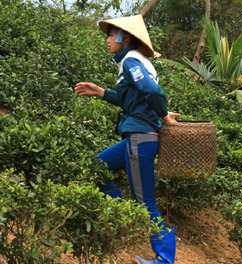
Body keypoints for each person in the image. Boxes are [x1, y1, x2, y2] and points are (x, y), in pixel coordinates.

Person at [74, 14, 178, 264]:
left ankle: (164, 259)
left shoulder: (131, 62)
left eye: (112, 35)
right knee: (99, 165)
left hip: (141, 138)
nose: (108, 40)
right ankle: (117, 209)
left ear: (125, 37)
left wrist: (164, 115)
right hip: (138, 136)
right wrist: (100, 92)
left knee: (146, 203)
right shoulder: (135, 61)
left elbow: (152, 92)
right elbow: (133, 99)